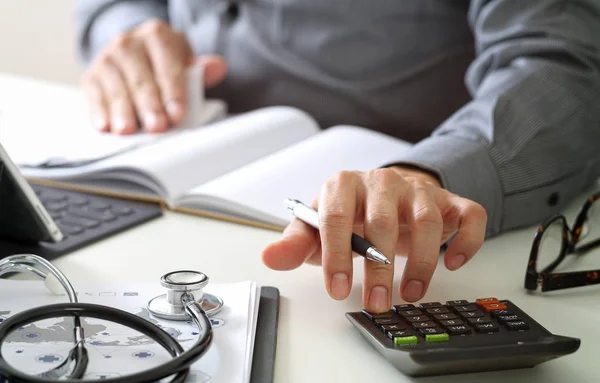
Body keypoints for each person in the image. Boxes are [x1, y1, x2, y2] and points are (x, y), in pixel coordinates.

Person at [75, 1, 600, 313]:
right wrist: (119, 28)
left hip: (411, 200)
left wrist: (426, 173)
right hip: (160, 161)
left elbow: (560, 62)